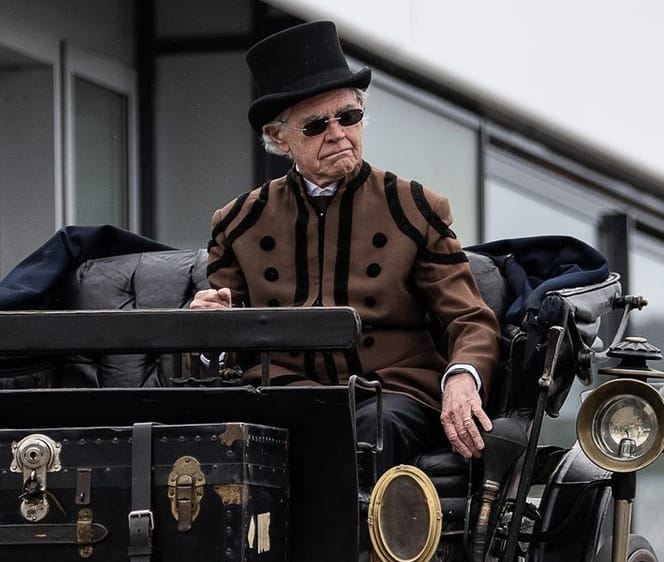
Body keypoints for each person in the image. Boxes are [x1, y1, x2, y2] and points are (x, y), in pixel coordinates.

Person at [190, 21, 501, 462]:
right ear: (279, 138)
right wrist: (205, 333)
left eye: (349, 117)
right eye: (316, 125)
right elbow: (221, 352)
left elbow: (470, 320)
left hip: (391, 391)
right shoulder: (240, 222)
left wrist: (462, 377)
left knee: (371, 429)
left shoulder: (414, 207)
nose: (338, 134)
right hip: (282, 395)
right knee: (248, 439)